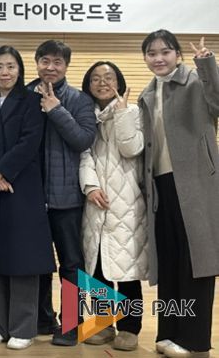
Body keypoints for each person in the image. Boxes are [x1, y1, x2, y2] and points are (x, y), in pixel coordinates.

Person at [137, 31, 219, 358]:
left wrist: (207, 64)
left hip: (195, 184)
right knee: (169, 261)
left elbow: (218, 102)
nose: (158, 58)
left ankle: (195, 342)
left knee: (196, 262)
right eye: (151, 53)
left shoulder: (196, 81)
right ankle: (169, 332)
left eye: (166, 51)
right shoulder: (147, 93)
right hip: (161, 187)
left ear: (178, 55)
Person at [0, 45, 55, 351]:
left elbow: (30, 142)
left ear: (20, 70)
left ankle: (23, 327)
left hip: (22, 187)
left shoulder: (33, 102)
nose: (4, 72)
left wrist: (2, 170)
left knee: (22, 258)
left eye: (10, 66)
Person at [28, 39, 96, 346]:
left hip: (66, 197)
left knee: (71, 264)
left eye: (57, 62)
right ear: (37, 63)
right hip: (30, 198)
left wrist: (56, 110)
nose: (50, 67)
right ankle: (43, 319)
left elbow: (83, 140)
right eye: (45, 61)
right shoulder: (24, 95)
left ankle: (72, 324)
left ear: (66, 66)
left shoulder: (79, 100)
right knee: (37, 263)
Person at [79, 61, 148, 351]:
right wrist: (90, 186)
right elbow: (84, 155)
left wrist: (121, 114)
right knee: (98, 269)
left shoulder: (132, 112)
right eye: (95, 78)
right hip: (96, 203)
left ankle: (130, 328)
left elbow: (132, 149)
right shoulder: (86, 116)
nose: (102, 82)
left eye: (108, 77)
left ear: (119, 81)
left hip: (127, 203)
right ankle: (104, 323)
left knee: (126, 269)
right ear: (88, 86)